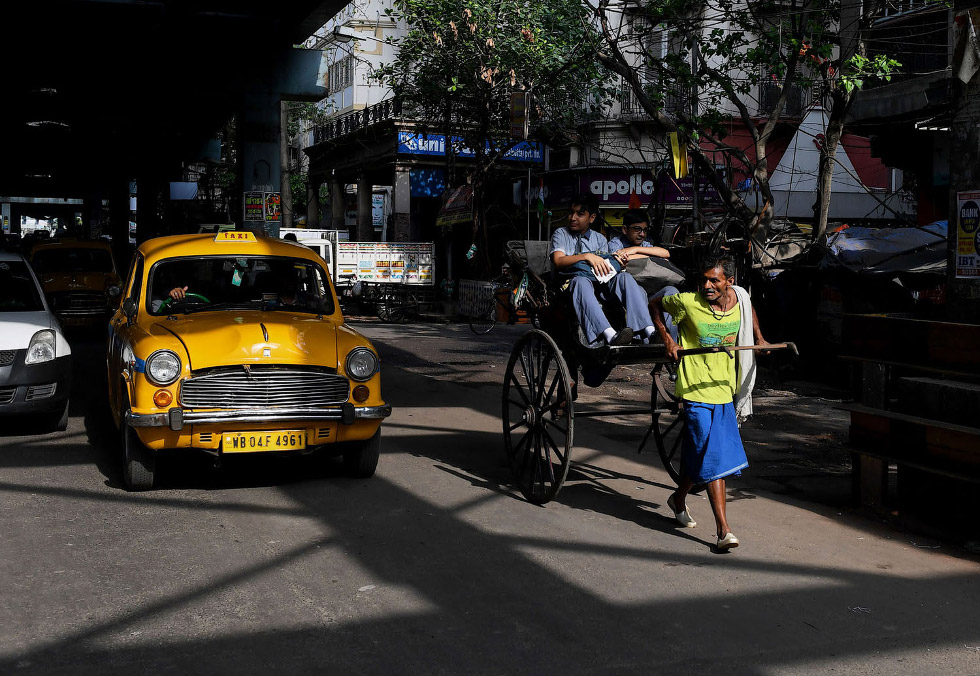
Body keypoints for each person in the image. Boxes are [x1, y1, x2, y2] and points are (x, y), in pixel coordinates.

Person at [650, 255, 769, 551]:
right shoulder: (689, 302)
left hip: (723, 390)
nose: (707, 285)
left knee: (700, 454)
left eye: (714, 280)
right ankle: (723, 530)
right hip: (694, 391)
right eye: (704, 279)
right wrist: (668, 340)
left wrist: (759, 337)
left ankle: (678, 498)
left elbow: (750, 309)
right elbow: (655, 304)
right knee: (714, 454)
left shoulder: (739, 300)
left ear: (730, 281)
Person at [549, 193, 657, 347]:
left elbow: (607, 268)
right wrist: (586, 256)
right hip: (571, 286)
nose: (573, 218)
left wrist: (619, 264)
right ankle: (609, 334)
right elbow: (558, 261)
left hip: (600, 284)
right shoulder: (561, 233)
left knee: (624, 277)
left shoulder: (599, 239)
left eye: (580, 214)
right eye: (571, 213)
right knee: (581, 281)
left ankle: (648, 331)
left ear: (591, 218)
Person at [610, 209, 680, 342]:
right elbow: (621, 259)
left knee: (672, 291)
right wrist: (650, 255)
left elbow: (665, 254)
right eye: (637, 229)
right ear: (625, 229)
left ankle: (671, 340)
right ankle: (649, 336)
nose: (642, 234)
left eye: (645, 230)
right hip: (626, 296)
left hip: (651, 293)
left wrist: (635, 250)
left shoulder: (645, 244)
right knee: (635, 287)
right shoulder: (615, 243)